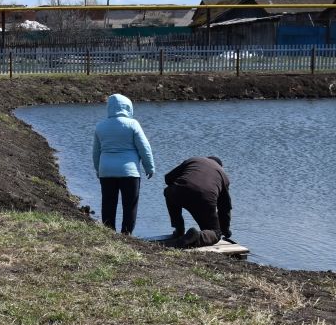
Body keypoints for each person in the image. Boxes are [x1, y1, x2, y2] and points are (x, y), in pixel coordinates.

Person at [92, 94, 155, 235]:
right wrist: (149, 167)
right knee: (130, 205)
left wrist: (98, 170)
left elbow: (96, 152)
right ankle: (126, 235)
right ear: (128, 107)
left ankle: (109, 233)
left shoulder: (100, 126)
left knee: (108, 204)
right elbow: (144, 147)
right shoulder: (132, 124)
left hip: (106, 171)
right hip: (129, 172)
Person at [163, 156, 232, 248]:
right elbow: (225, 207)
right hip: (204, 199)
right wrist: (225, 230)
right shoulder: (223, 175)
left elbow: (168, 178)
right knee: (215, 232)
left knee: (169, 192)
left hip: (179, 192)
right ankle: (197, 236)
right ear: (221, 166)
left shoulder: (193, 160)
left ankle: (179, 229)